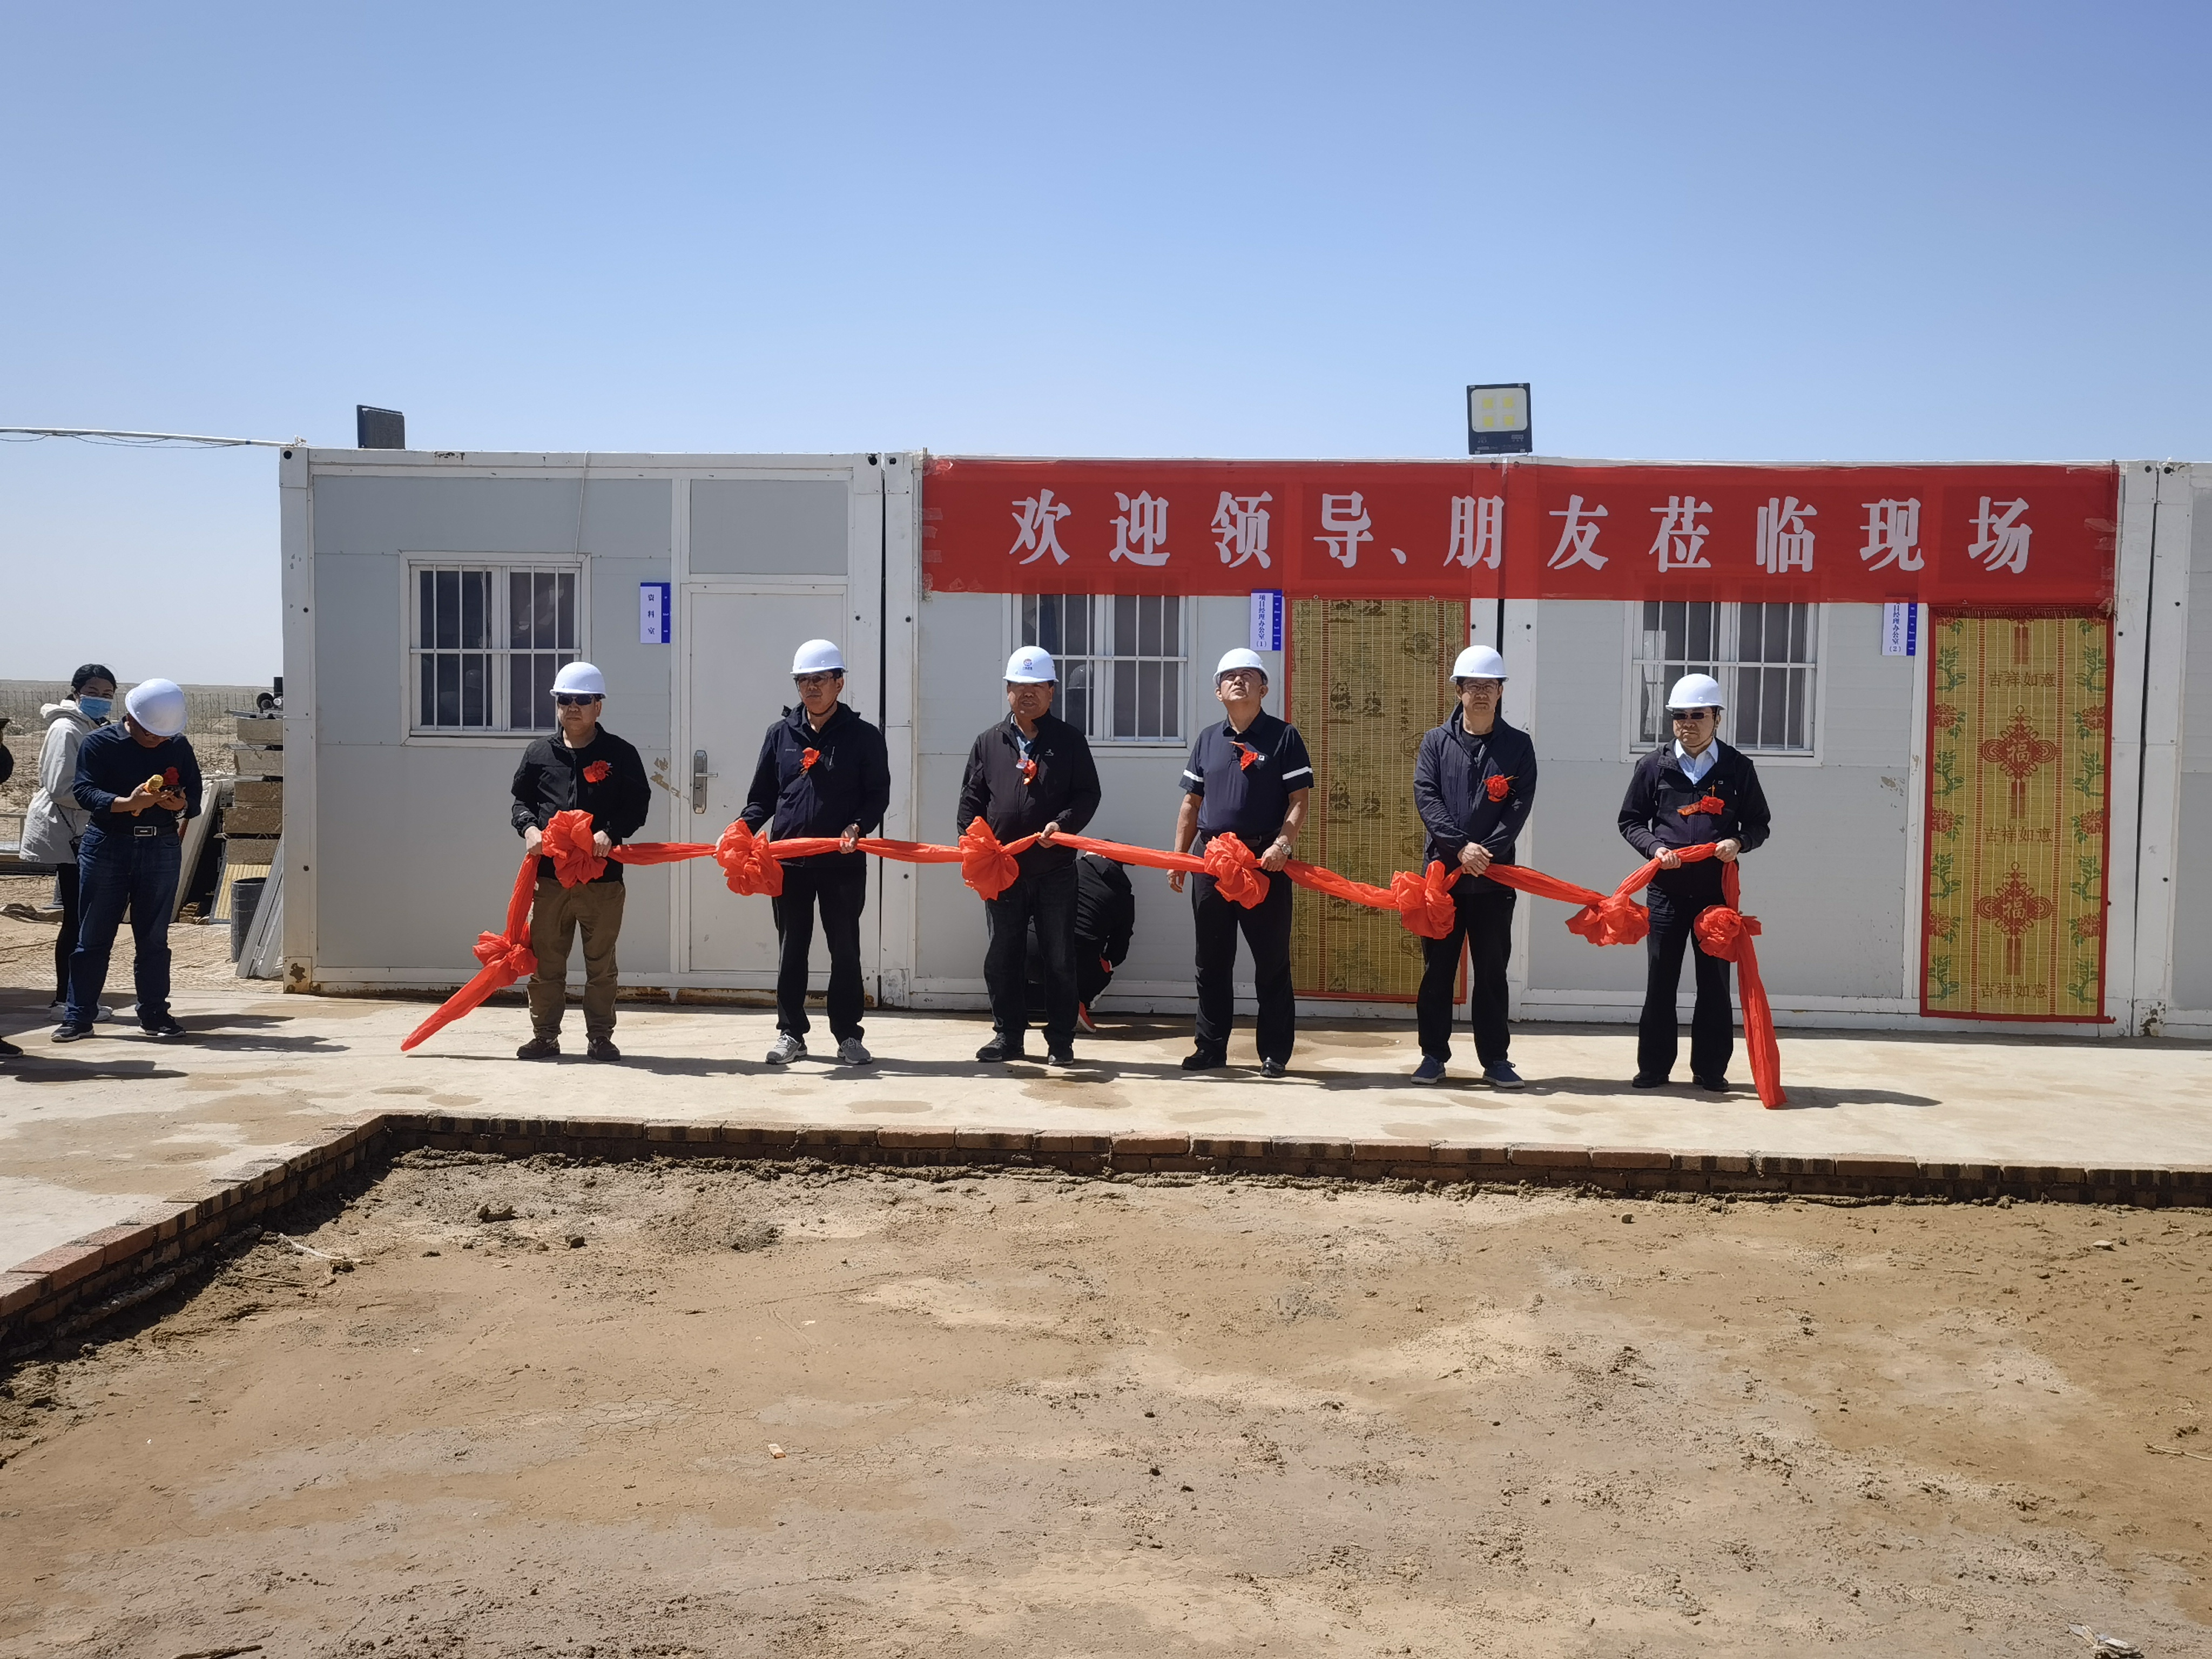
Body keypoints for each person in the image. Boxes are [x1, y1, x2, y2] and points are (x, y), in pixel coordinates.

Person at [1617, 672, 1773, 1090]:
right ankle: (1654, 1068)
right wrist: (1654, 848)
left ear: (1717, 718)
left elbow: (1759, 824)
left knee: (1714, 983)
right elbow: (1630, 821)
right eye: (1679, 716)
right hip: (1665, 892)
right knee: (1660, 980)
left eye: (1697, 715)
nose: (1687, 723)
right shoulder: (1654, 766)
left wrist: (1738, 842)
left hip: (1715, 894)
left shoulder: (1737, 768)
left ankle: (1710, 1069)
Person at [743, 639, 891, 1067]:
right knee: (792, 948)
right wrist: (740, 830)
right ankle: (791, 1033)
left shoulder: (863, 737)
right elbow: (762, 798)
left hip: (842, 863)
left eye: (820, 679)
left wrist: (858, 826)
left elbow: (877, 795)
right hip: (789, 863)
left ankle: (848, 1035)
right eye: (803, 680)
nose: (811, 687)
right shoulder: (780, 735)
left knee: (845, 949)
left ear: (839, 683)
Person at [1169, 647, 1312, 1077]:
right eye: (1229, 676)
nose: (1238, 681)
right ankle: (1210, 1048)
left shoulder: (1284, 737)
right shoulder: (1207, 739)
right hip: (1212, 864)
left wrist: (1283, 846)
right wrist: (1179, 857)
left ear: (1264, 688)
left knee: (1271, 962)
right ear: (1218, 692)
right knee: (1211, 961)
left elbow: (1299, 800)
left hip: (1265, 865)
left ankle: (1274, 1053)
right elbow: (1191, 804)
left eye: (1248, 675)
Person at [956, 645, 1102, 1067]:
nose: (1027, 693)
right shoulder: (989, 742)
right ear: (1007, 690)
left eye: (1036, 686)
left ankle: (1061, 1041)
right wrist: (972, 845)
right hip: (1003, 872)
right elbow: (971, 801)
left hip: (1054, 870)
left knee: (1059, 957)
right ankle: (1008, 1037)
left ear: (1052, 691)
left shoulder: (1069, 741)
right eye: (1019, 686)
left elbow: (1088, 794)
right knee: (1003, 955)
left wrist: (1063, 824)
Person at [509, 662, 651, 1062]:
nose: (573, 707)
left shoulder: (621, 754)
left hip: (602, 880)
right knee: (547, 962)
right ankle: (545, 1036)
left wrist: (611, 832)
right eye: (565, 700)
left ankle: (600, 1037)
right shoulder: (539, 753)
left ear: (598, 707)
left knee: (601, 964)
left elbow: (637, 806)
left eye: (582, 700)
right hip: (551, 879)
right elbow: (521, 801)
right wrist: (529, 829)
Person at [1411, 645, 1537, 1088]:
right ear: (1458, 691)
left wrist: (1485, 854)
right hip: (1443, 879)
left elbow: (1518, 808)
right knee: (1437, 972)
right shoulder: (1435, 742)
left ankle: (1496, 1059)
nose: (1481, 693)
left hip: (1493, 881)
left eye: (1490, 686)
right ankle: (1432, 1055)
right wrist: (1461, 848)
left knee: (1491, 972)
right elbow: (1427, 798)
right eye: (1473, 686)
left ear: (1501, 692)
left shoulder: (1518, 746)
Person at [56, 677, 203, 1043]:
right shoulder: (99, 743)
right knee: (93, 936)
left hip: (160, 846)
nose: (156, 740)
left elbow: (194, 796)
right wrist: (127, 804)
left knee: (153, 938)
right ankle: (78, 1016)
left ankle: (155, 1014)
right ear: (131, 717)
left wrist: (181, 803)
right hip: (108, 845)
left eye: (162, 735)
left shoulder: (177, 745)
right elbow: (84, 790)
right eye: (149, 732)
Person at [23, 665, 117, 1023]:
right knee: (78, 918)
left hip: (87, 830)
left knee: (85, 918)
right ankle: (67, 1000)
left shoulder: (94, 727)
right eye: (93, 692)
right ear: (76, 692)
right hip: (71, 833)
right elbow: (62, 787)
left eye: (108, 694)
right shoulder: (66, 730)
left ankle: (78, 998)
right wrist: (112, 800)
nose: (100, 699)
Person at [1026, 849, 1136, 1031]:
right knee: (1103, 967)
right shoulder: (1124, 896)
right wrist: (1106, 961)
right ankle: (1078, 1004)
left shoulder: (1064, 870)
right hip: (1078, 963)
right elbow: (1119, 949)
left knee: (1017, 954)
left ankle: (1015, 1013)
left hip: (1031, 950)